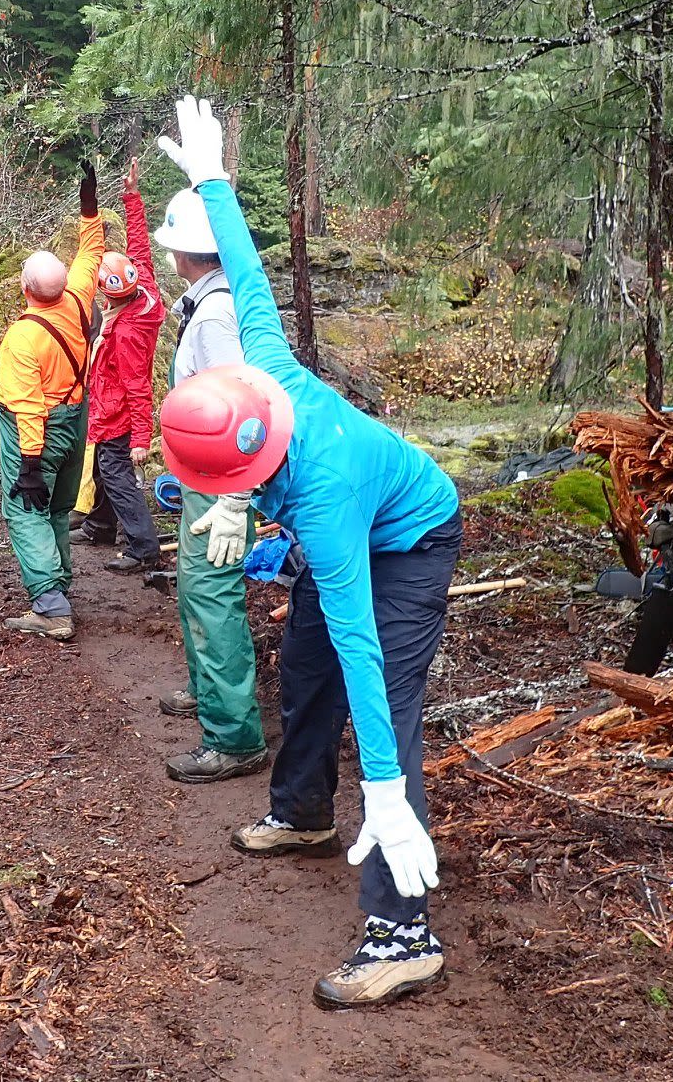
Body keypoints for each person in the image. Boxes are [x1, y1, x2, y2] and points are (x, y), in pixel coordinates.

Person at [155, 96, 462, 1011]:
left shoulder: (323, 504)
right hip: (349, 518)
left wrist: (386, 788)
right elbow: (247, 269)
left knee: (382, 701)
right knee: (303, 663)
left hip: (410, 539)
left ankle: (404, 935)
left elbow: (364, 643)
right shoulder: (262, 363)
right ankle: (303, 813)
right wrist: (213, 180)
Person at [149, 183, 268, 786]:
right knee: (196, 587)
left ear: (186, 252)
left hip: (224, 479)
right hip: (206, 472)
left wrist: (234, 497)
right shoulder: (206, 302)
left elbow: (240, 406)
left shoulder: (217, 314)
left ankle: (234, 736)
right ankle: (208, 690)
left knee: (212, 591)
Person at [0, 162, 104, 641]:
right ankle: (59, 586)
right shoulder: (78, 298)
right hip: (76, 422)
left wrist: (30, 465)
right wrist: (89, 207)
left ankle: (51, 607)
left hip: (42, 431)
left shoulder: (23, 337)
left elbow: (28, 408)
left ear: (25, 289)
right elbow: (92, 253)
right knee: (57, 509)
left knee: (25, 508)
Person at [77, 159, 166, 574]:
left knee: (116, 474)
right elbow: (141, 247)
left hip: (119, 413)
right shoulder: (142, 285)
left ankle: (143, 547)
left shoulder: (128, 331)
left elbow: (138, 386)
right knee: (102, 467)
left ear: (109, 294)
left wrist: (141, 439)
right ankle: (99, 526)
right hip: (109, 408)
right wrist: (132, 196)